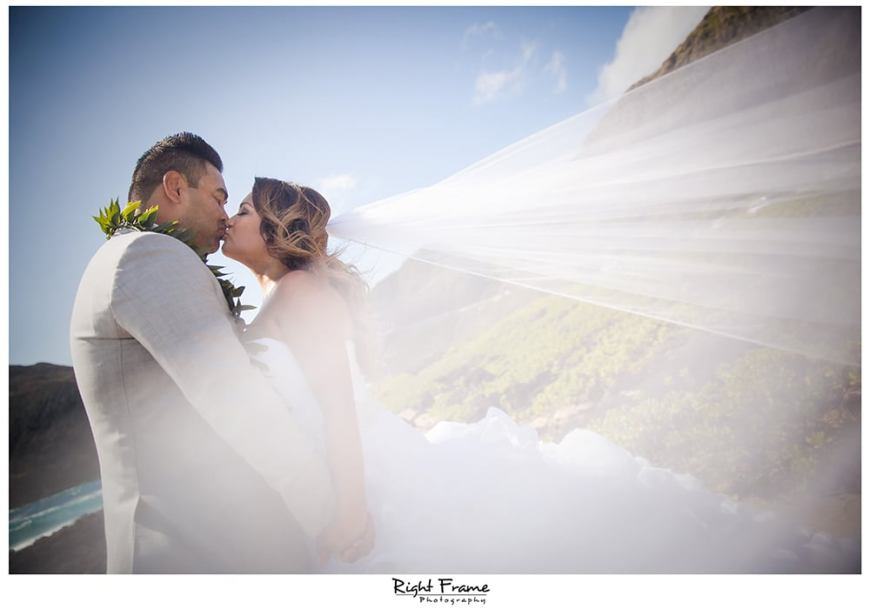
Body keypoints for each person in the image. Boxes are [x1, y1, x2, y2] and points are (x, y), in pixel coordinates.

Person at [222, 176, 859, 573]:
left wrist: (351, 512)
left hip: (371, 485)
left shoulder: (300, 292)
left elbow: (338, 408)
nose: (232, 217)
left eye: (245, 209)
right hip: (353, 472)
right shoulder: (289, 290)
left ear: (279, 228)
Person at [69, 133, 371, 573]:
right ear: (175, 187)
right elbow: (238, 405)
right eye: (219, 198)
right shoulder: (149, 255)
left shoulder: (133, 257)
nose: (225, 216)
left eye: (239, 208)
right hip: (187, 547)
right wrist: (326, 515)